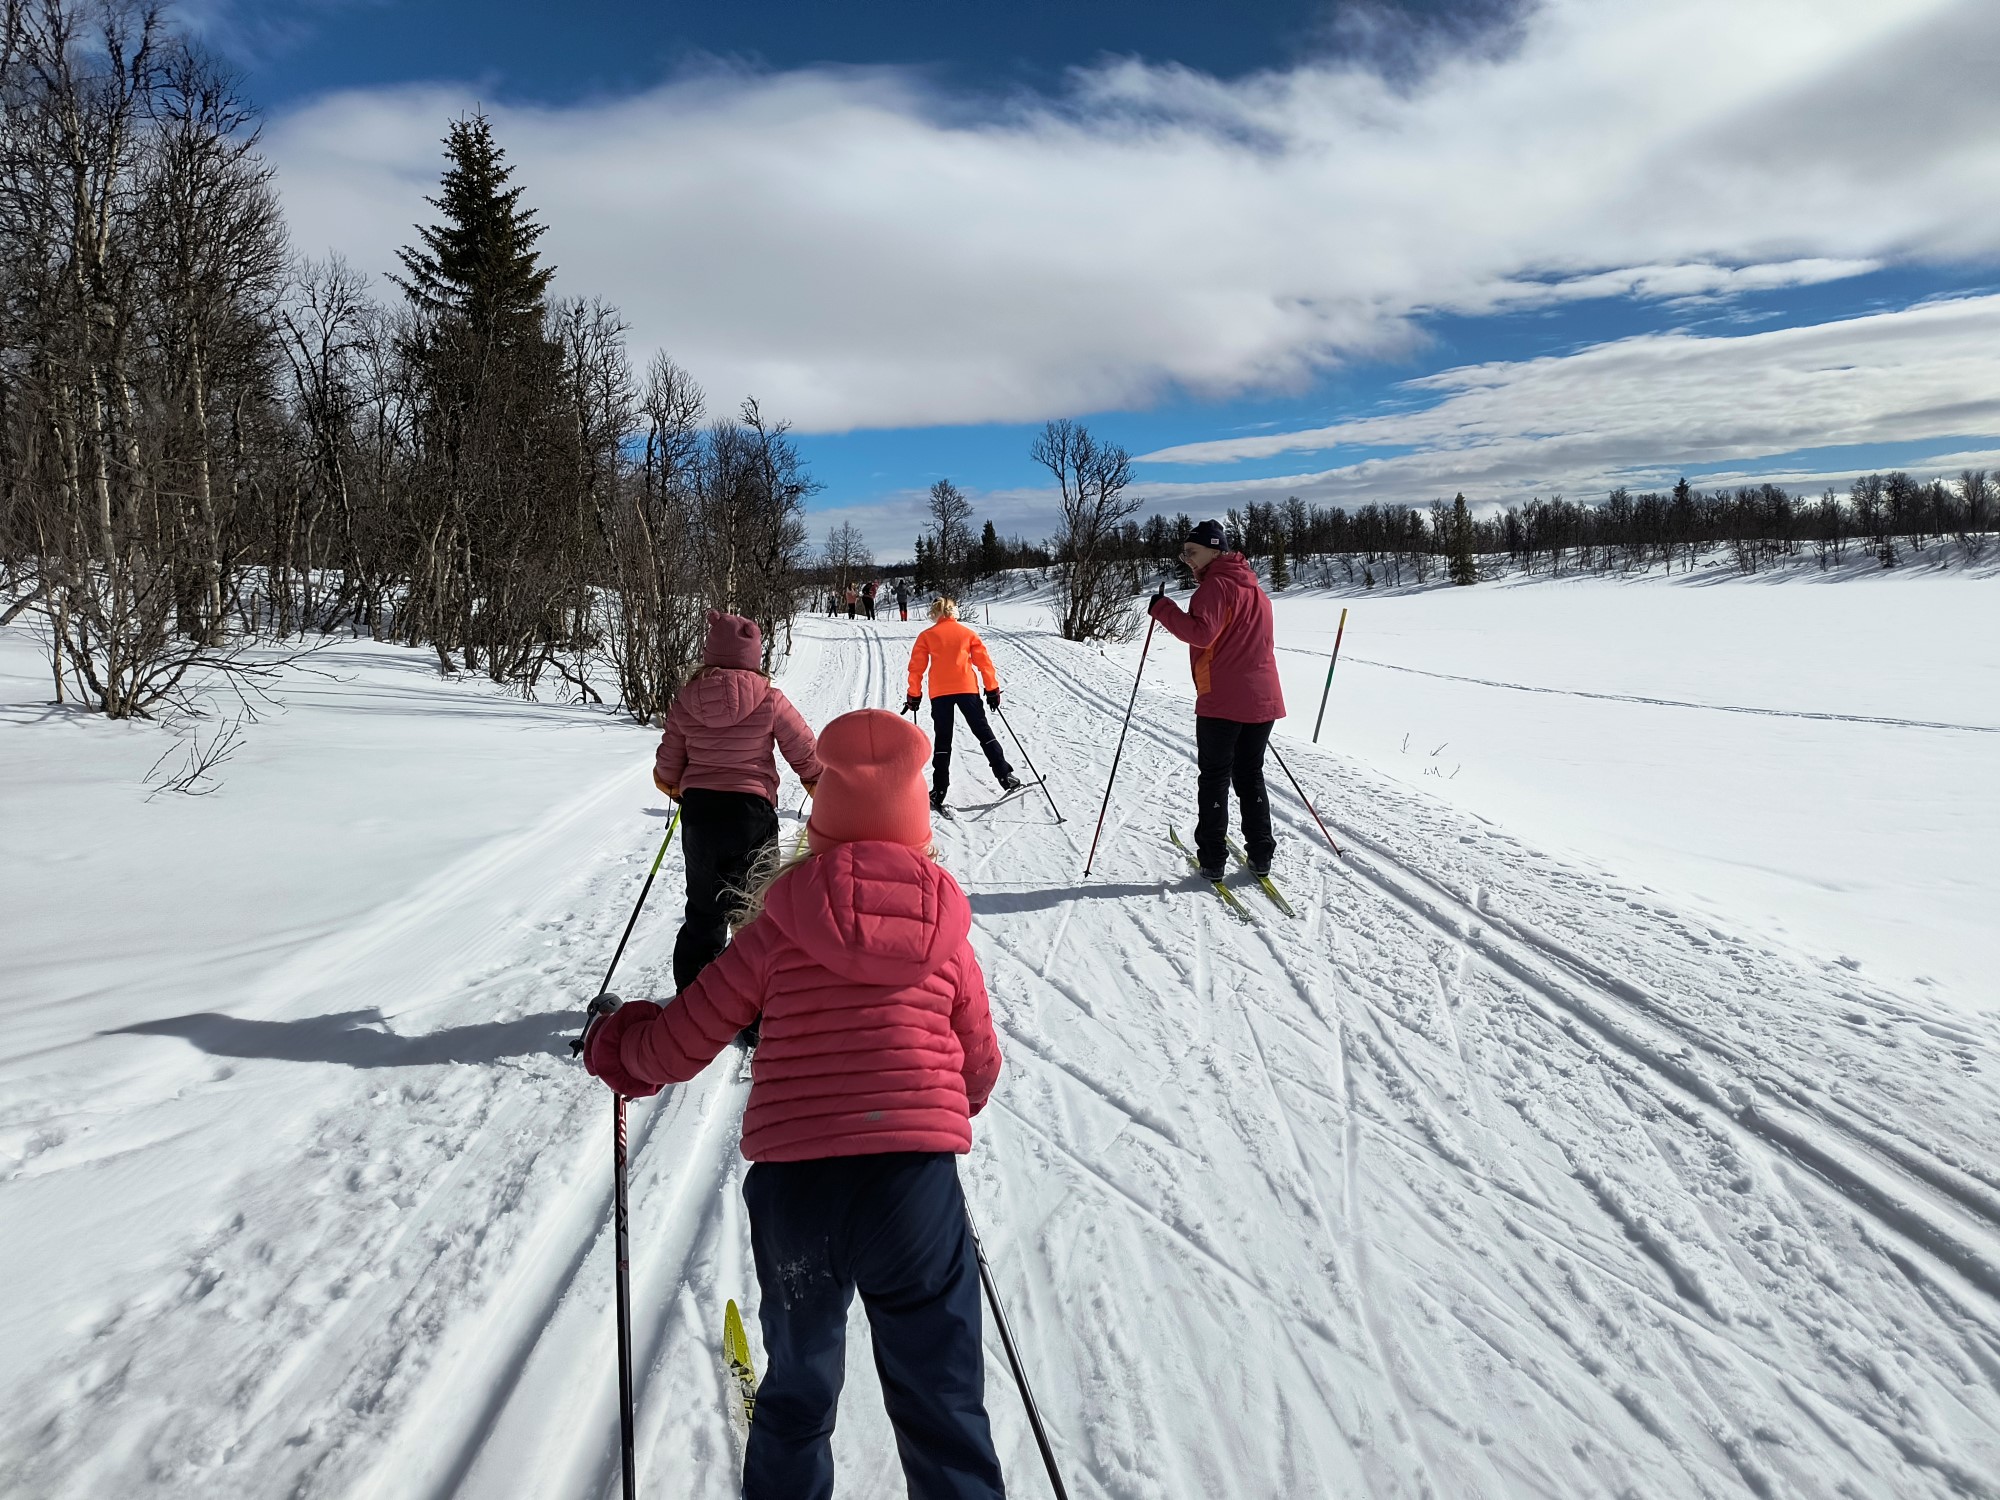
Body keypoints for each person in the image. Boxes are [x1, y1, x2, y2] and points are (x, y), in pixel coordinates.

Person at [585, 708, 1007, 1500]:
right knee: (942, 1400)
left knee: (801, 1389)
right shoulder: (948, 935)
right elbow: (979, 1069)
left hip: (798, 1197)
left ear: (821, 828)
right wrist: (926, 1104)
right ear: (918, 829)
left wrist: (620, 1047)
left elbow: (682, 1039)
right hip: (912, 1195)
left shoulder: (778, 926)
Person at [654, 610, 822, 998]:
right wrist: (818, 782)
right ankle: (755, 1007)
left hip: (700, 816)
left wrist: (672, 785)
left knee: (704, 908)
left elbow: (669, 761)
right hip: (751, 813)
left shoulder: (686, 697)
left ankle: (695, 999)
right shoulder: (769, 698)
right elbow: (803, 749)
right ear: (753, 655)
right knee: (755, 910)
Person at [1146, 519, 1286, 881]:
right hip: (1262, 699)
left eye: (1192, 553)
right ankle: (1261, 853)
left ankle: (1212, 858)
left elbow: (1201, 634)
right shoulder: (1254, 588)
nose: (1188, 560)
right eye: (1184, 554)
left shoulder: (1215, 587)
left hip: (1224, 700)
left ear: (1215, 549)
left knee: (1214, 778)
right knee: (1250, 775)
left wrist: (1162, 609)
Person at [905, 597, 1019, 810]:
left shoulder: (927, 636)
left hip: (939, 693)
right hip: (967, 690)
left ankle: (938, 791)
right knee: (983, 732)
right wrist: (992, 689)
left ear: (935, 614)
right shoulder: (967, 634)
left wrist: (914, 694)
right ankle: (1005, 776)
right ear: (954, 612)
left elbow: (916, 668)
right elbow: (984, 663)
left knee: (943, 740)